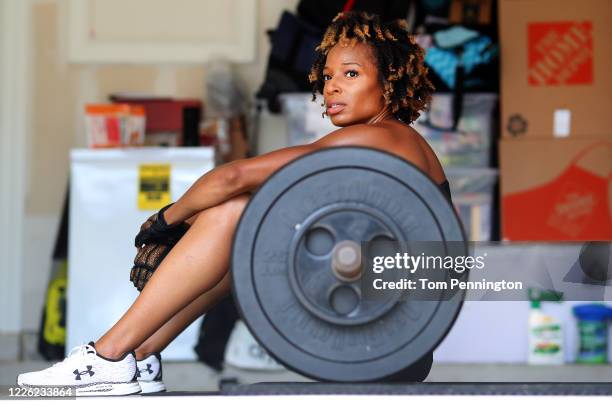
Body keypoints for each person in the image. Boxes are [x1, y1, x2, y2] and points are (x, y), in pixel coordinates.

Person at [17, 11, 449, 395]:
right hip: (392, 341)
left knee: (236, 212)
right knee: (249, 224)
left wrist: (164, 222)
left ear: (389, 81)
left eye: (351, 74)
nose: (332, 85)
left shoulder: (379, 136)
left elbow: (233, 176)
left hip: (377, 337)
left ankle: (110, 354)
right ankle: (140, 353)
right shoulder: (401, 143)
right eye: (329, 74)